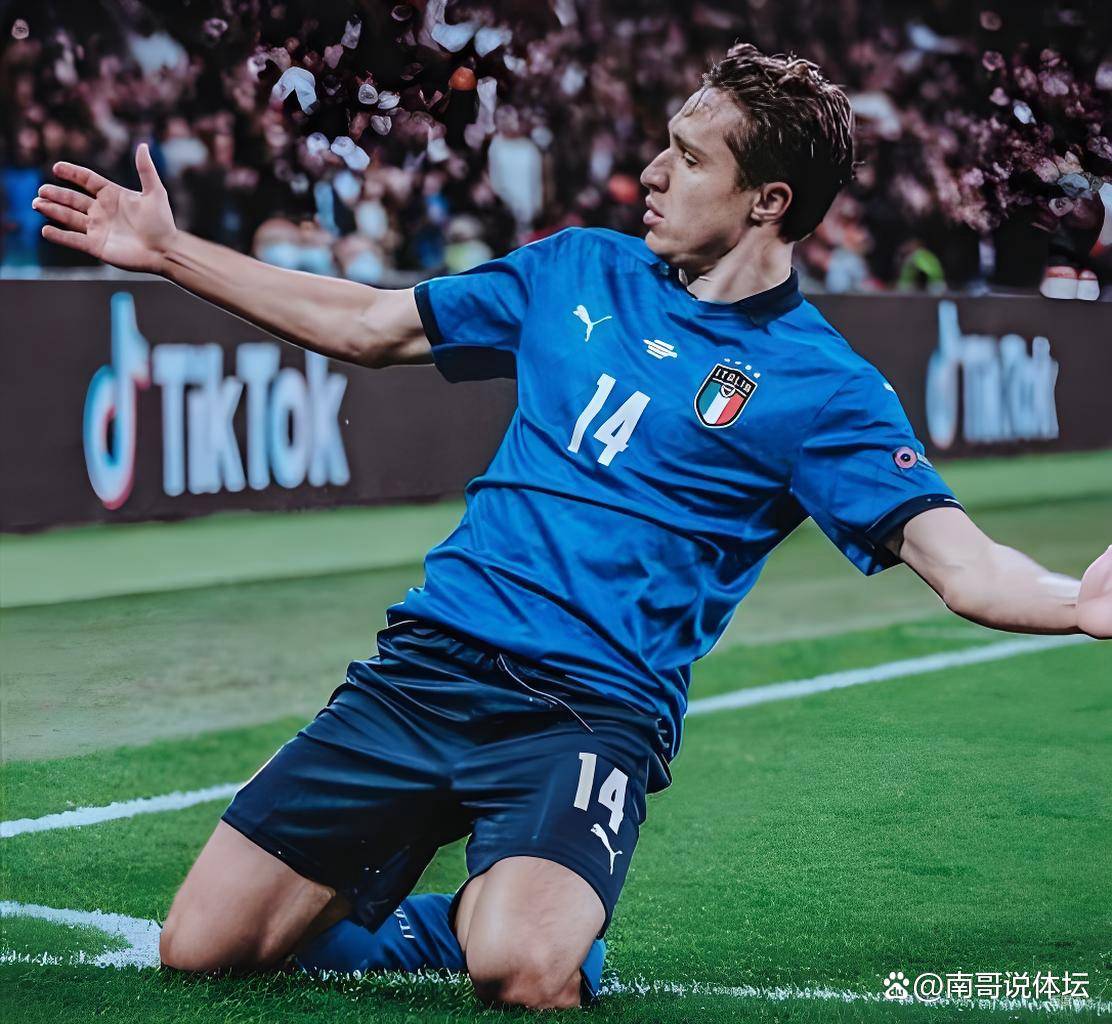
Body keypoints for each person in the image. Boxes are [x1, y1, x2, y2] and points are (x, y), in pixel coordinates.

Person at [31, 43, 1111, 1010]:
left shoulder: (825, 387)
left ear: (767, 200)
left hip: (589, 711)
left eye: (688, 158)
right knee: (202, 950)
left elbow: (961, 562)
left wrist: (1075, 603)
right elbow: (368, 324)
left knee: (524, 970)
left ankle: (499, 920)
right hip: (428, 665)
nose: (650, 174)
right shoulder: (575, 268)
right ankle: (447, 912)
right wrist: (170, 251)